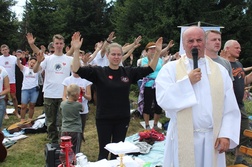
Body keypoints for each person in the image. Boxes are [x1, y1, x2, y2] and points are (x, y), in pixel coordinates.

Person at [155, 26, 241, 167]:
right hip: (182, 137)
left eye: (199, 40)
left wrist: (226, 134)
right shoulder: (170, 69)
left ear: (205, 42)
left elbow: (230, 105)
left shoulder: (220, 71)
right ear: (183, 44)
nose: (195, 44)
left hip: (212, 138)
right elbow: (163, 99)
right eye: (190, 41)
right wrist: (187, 82)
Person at [71, 32, 163, 160]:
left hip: (122, 118)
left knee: (118, 153)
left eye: (119, 54)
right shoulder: (99, 72)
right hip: (104, 118)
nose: (116, 57)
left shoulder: (128, 72)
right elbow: (77, 69)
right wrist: (76, 50)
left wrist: (157, 52)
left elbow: (150, 69)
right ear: (107, 55)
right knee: (104, 151)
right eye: (113, 54)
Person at [32, 33, 75, 144]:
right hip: (49, 94)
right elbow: (36, 70)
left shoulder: (69, 59)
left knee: (62, 122)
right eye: (57, 43)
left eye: (61, 43)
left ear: (64, 44)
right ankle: (52, 142)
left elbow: (76, 69)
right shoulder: (47, 59)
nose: (59, 45)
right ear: (53, 45)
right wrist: (38, 61)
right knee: (50, 122)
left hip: (63, 95)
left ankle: (62, 143)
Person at [222, 39, 252, 166]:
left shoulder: (239, 64)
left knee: (244, 130)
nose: (239, 50)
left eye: (239, 48)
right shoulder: (222, 64)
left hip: (239, 104)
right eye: (236, 47)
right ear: (227, 49)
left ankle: (239, 158)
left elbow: (244, 81)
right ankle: (220, 159)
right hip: (227, 105)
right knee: (225, 132)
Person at [138, 42, 163, 130]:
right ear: (147, 51)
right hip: (148, 84)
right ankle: (147, 124)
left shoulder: (160, 60)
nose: (153, 50)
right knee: (147, 105)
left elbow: (162, 70)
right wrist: (149, 59)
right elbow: (147, 68)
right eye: (151, 49)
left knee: (158, 105)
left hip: (158, 84)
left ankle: (155, 124)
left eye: (154, 49)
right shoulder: (144, 60)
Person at [62, 72, 92, 141]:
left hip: (82, 109)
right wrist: (70, 103)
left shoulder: (86, 80)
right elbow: (63, 96)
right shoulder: (67, 80)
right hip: (70, 108)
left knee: (81, 126)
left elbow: (89, 97)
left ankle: (80, 137)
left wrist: (83, 94)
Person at [60, 84, 83, 154]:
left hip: (65, 129)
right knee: (76, 150)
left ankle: (66, 162)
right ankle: (75, 163)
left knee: (65, 150)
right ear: (76, 94)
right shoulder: (78, 105)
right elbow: (82, 109)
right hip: (75, 130)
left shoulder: (62, 104)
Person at [16, 53, 39, 122]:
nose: (32, 64)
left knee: (32, 105)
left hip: (34, 89)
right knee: (23, 106)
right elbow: (19, 64)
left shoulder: (37, 70)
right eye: (31, 62)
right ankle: (22, 119)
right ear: (29, 62)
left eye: (34, 63)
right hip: (25, 89)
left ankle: (30, 119)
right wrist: (18, 58)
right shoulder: (25, 69)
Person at [0, 44, 20, 119]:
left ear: (8, 50)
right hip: (2, 81)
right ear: (1, 51)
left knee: (14, 97)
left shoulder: (13, 58)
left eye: (6, 49)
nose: (5, 51)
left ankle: (16, 111)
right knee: (4, 98)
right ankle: (5, 113)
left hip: (12, 80)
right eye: (3, 50)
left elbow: (19, 64)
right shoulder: (0, 58)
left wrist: (18, 58)